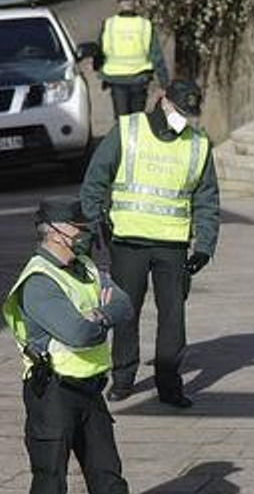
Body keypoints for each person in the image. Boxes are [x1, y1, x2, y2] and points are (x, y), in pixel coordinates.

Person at [2, 197, 184, 494]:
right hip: (52, 394)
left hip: (88, 391)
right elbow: (76, 333)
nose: (86, 236)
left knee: (108, 477)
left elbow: (123, 303)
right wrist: (98, 319)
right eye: (80, 230)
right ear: (55, 232)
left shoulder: (82, 268)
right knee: (51, 483)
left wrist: (98, 315)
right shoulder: (38, 282)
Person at [79, 79, 219, 407]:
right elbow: (95, 181)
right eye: (179, 111)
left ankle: (169, 385)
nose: (184, 119)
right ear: (163, 101)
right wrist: (87, 231)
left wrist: (204, 248)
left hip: (173, 245)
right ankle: (123, 379)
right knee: (126, 312)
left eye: (190, 114)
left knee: (173, 316)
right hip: (128, 241)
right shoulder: (128, 130)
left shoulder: (198, 144)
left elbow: (208, 199)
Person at [96, 0, 169, 117]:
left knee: (122, 120)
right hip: (139, 80)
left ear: (119, 4)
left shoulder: (109, 24)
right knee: (137, 120)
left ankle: (123, 136)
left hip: (117, 80)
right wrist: (164, 84)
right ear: (135, 4)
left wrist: (99, 69)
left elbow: (99, 51)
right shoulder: (145, 25)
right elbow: (156, 56)